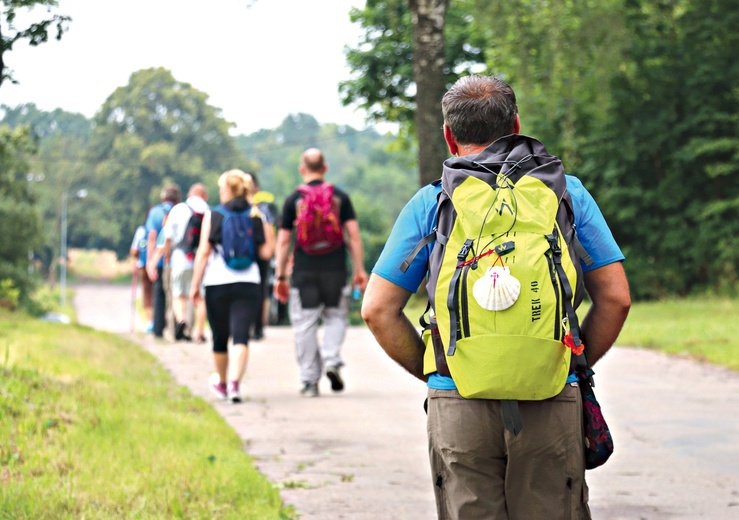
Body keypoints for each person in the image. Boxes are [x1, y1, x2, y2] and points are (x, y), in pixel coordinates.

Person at [360, 75, 631, 519]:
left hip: (457, 397)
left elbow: (377, 309)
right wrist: (563, 360)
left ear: (450, 136)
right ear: (517, 123)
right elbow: (616, 298)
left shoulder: (432, 202)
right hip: (551, 394)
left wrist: (441, 368)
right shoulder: (567, 193)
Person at [273, 148, 368, 397]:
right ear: (325, 168)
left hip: (304, 271)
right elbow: (354, 236)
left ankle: (309, 381)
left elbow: (283, 242)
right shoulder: (340, 197)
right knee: (335, 316)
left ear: (302, 169)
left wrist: (280, 276)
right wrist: (360, 270)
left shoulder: (293, 199)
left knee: (305, 324)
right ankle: (331, 360)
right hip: (336, 269)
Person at [190, 169, 275, 403]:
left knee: (219, 337)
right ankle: (236, 385)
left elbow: (204, 252)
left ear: (227, 190)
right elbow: (267, 252)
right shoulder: (257, 215)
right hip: (249, 282)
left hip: (217, 282)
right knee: (241, 337)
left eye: (221, 188)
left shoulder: (213, 215)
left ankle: (223, 383)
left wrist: (195, 285)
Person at [147, 183, 209, 342]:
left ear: (189, 195)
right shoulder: (209, 211)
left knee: (178, 295)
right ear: (205, 196)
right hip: (200, 261)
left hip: (180, 259)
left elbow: (167, 237)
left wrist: (157, 259)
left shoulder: (179, 209)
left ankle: (182, 321)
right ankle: (199, 332)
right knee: (199, 297)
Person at [145, 183, 181, 338]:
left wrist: (149, 262)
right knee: (176, 294)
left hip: (158, 259)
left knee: (159, 294)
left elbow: (152, 237)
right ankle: (176, 328)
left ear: (162, 197)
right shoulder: (180, 211)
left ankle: (158, 329)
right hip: (177, 259)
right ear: (177, 199)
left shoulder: (155, 212)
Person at [249, 171, 279, 340]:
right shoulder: (262, 209)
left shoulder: (238, 206)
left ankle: (253, 326)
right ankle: (257, 327)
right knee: (260, 291)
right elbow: (271, 232)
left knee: (256, 291)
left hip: (251, 255)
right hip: (260, 255)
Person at [129, 223, 153, 332]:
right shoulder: (162, 227)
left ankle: (150, 322)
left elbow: (134, 250)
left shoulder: (142, 230)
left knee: (147, 294)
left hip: (144, 265)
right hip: (160, 266)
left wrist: (136, 256)